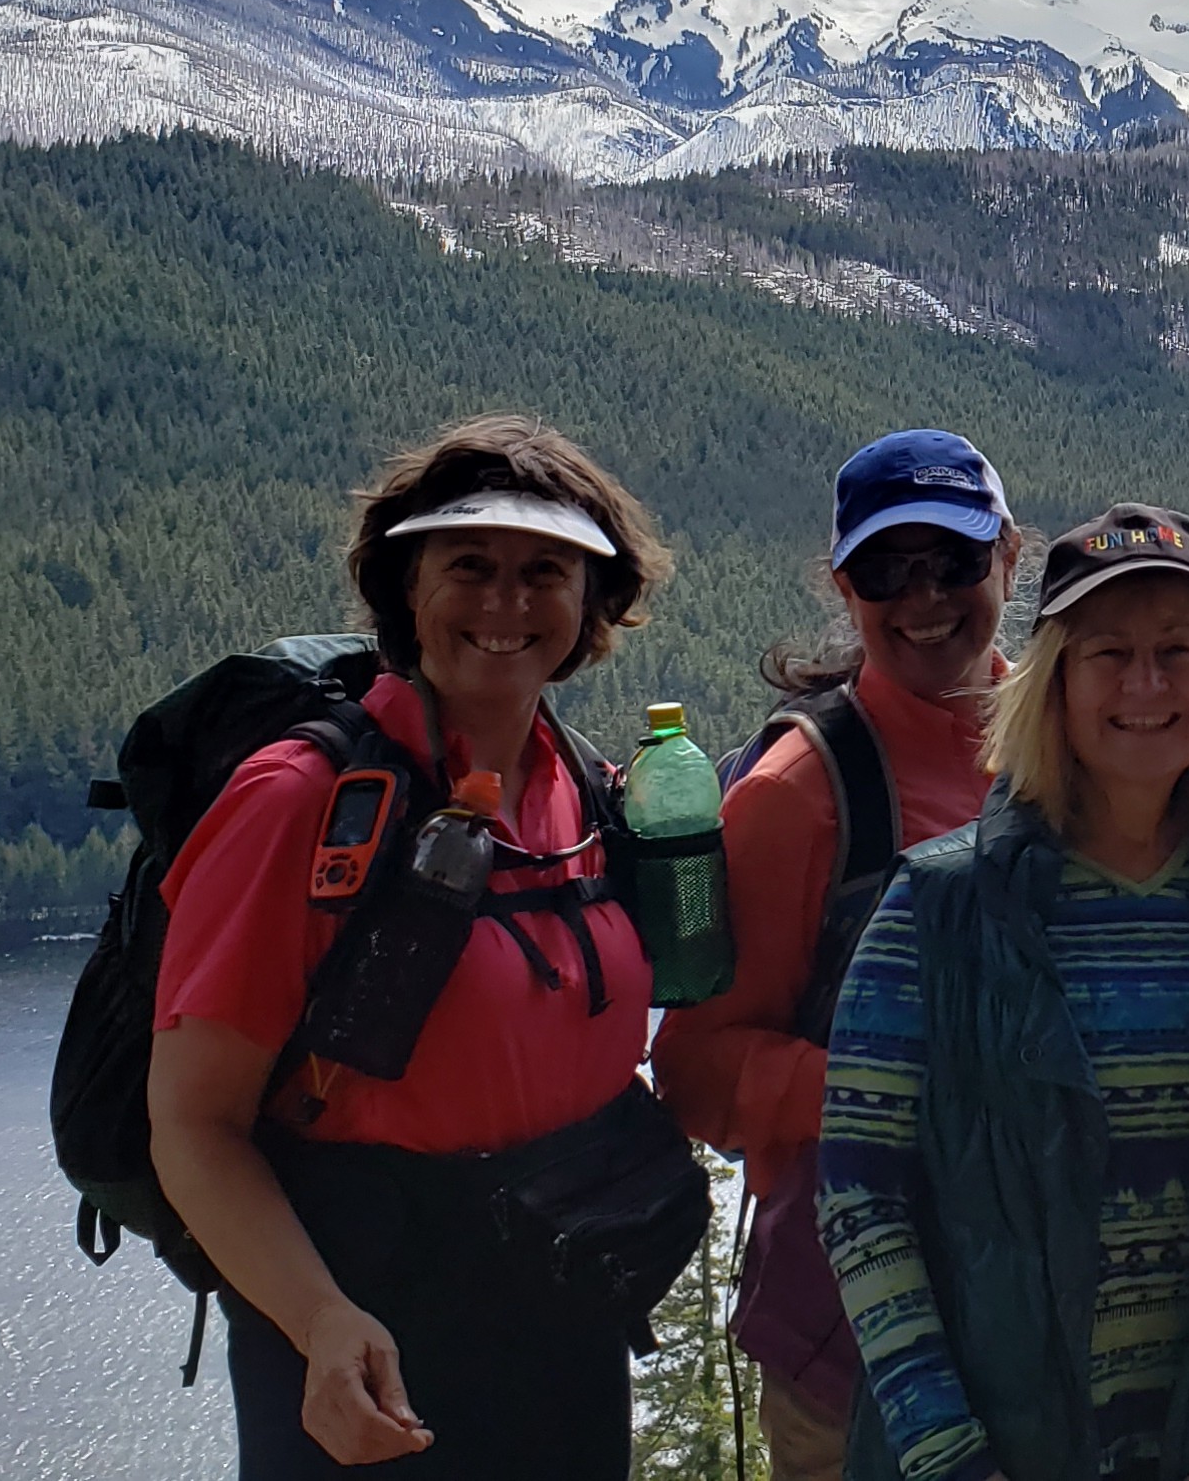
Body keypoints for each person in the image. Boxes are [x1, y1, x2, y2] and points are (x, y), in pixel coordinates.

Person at [150, 414, 680, 1479]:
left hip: (564, 1302)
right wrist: (320, 1323)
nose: (505, 603)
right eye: (469, 567)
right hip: (362, 1325)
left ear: (592, 605)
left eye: (545, 573)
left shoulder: (585, 793)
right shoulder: (303, 802)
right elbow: (193, 1125)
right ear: (406, 589)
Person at [817, 504, 1189, 1481]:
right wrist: (947, 1455)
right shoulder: (937, 908)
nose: (1144, 684)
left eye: (1176, 650)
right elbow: (861, 1201)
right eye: (1108, 652)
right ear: (1052, 684)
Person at [653, 429, 1027, 1481]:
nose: (922, 600)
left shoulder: (1070, 741)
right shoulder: (797, 793)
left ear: (1006, 556)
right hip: (850, 1334)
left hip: (1040, 1318)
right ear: (841, 584)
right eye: (883, 572)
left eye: (951, 563)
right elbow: (693, 1070)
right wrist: (898, 1090)